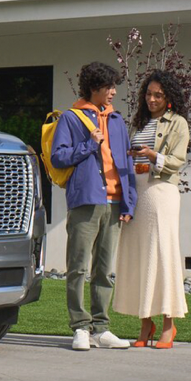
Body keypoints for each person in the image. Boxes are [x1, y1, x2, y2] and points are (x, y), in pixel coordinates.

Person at [51, 61, 137, 351]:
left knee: (104, 270)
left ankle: (101, 329)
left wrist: (129, 202)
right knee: (77, 267)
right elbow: (58, 158)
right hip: (85, 201)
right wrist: (90, 144)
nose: (113, 92)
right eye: (108, 87)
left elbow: (126, 165)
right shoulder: (71, 118)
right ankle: (80, 327)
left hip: (114, 203)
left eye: (114, 86)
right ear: (93, 88)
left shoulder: (117, 120)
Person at [113, 69, 189, 348]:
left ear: (168, 97)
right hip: (136, 191)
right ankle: (146, 323)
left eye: (158, 95)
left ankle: (169, 324)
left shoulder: (178, 123)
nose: (152, 99)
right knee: (138, 256)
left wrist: (152, 155)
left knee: (163, 254)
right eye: (148, 94)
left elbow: (177, 160)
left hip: (160, 191)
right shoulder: (139, 123)